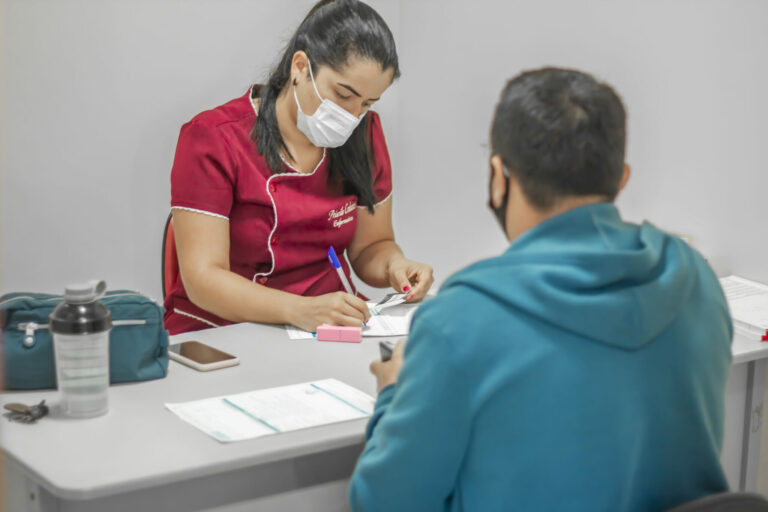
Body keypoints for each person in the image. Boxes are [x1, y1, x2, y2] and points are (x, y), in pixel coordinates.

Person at [349, 67, 732, 511]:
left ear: (499, 177)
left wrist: (395, 392)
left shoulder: (461, 318)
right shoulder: (694, 279)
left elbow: (383, 502)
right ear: (621, 178)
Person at [165, 0, 433, 335]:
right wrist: (300, 310)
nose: (353, 116)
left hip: (322, 327)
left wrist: (396, 265)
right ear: (301, 66)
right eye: (343, 94)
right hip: (224, 328)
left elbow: (371, 247)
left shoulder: (366, 136)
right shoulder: (213, 139)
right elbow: (202, 280)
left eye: (367, 103)